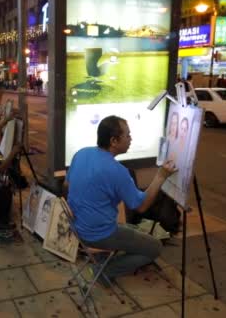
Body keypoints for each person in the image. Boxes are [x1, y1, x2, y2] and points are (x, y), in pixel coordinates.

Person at [65, 115, 177, 283]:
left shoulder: (82, 153)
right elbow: (141, 206)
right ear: (114, 141)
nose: (130, 139)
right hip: (98, 234)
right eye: (127, 135)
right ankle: (105, 271)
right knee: (155, 247)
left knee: (132, 231)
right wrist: (160, 176)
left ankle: (105, 260)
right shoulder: (117, 171)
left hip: (77, 227)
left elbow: (67, 184)